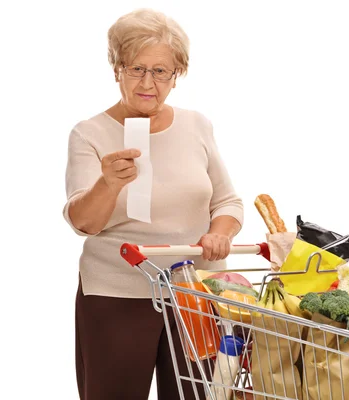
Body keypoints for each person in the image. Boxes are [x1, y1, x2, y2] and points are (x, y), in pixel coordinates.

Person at [62, 8, 244, 400]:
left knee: (200, 395)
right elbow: (83, 221)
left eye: (161, 71)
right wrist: (108, 185)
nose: (148, 83)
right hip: (118, 294)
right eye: (136, 69)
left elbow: (228, 202)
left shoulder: (197, 125)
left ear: (177, 75)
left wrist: (219, 232)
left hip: (196, 292)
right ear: (117, 68)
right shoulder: (90, 133)